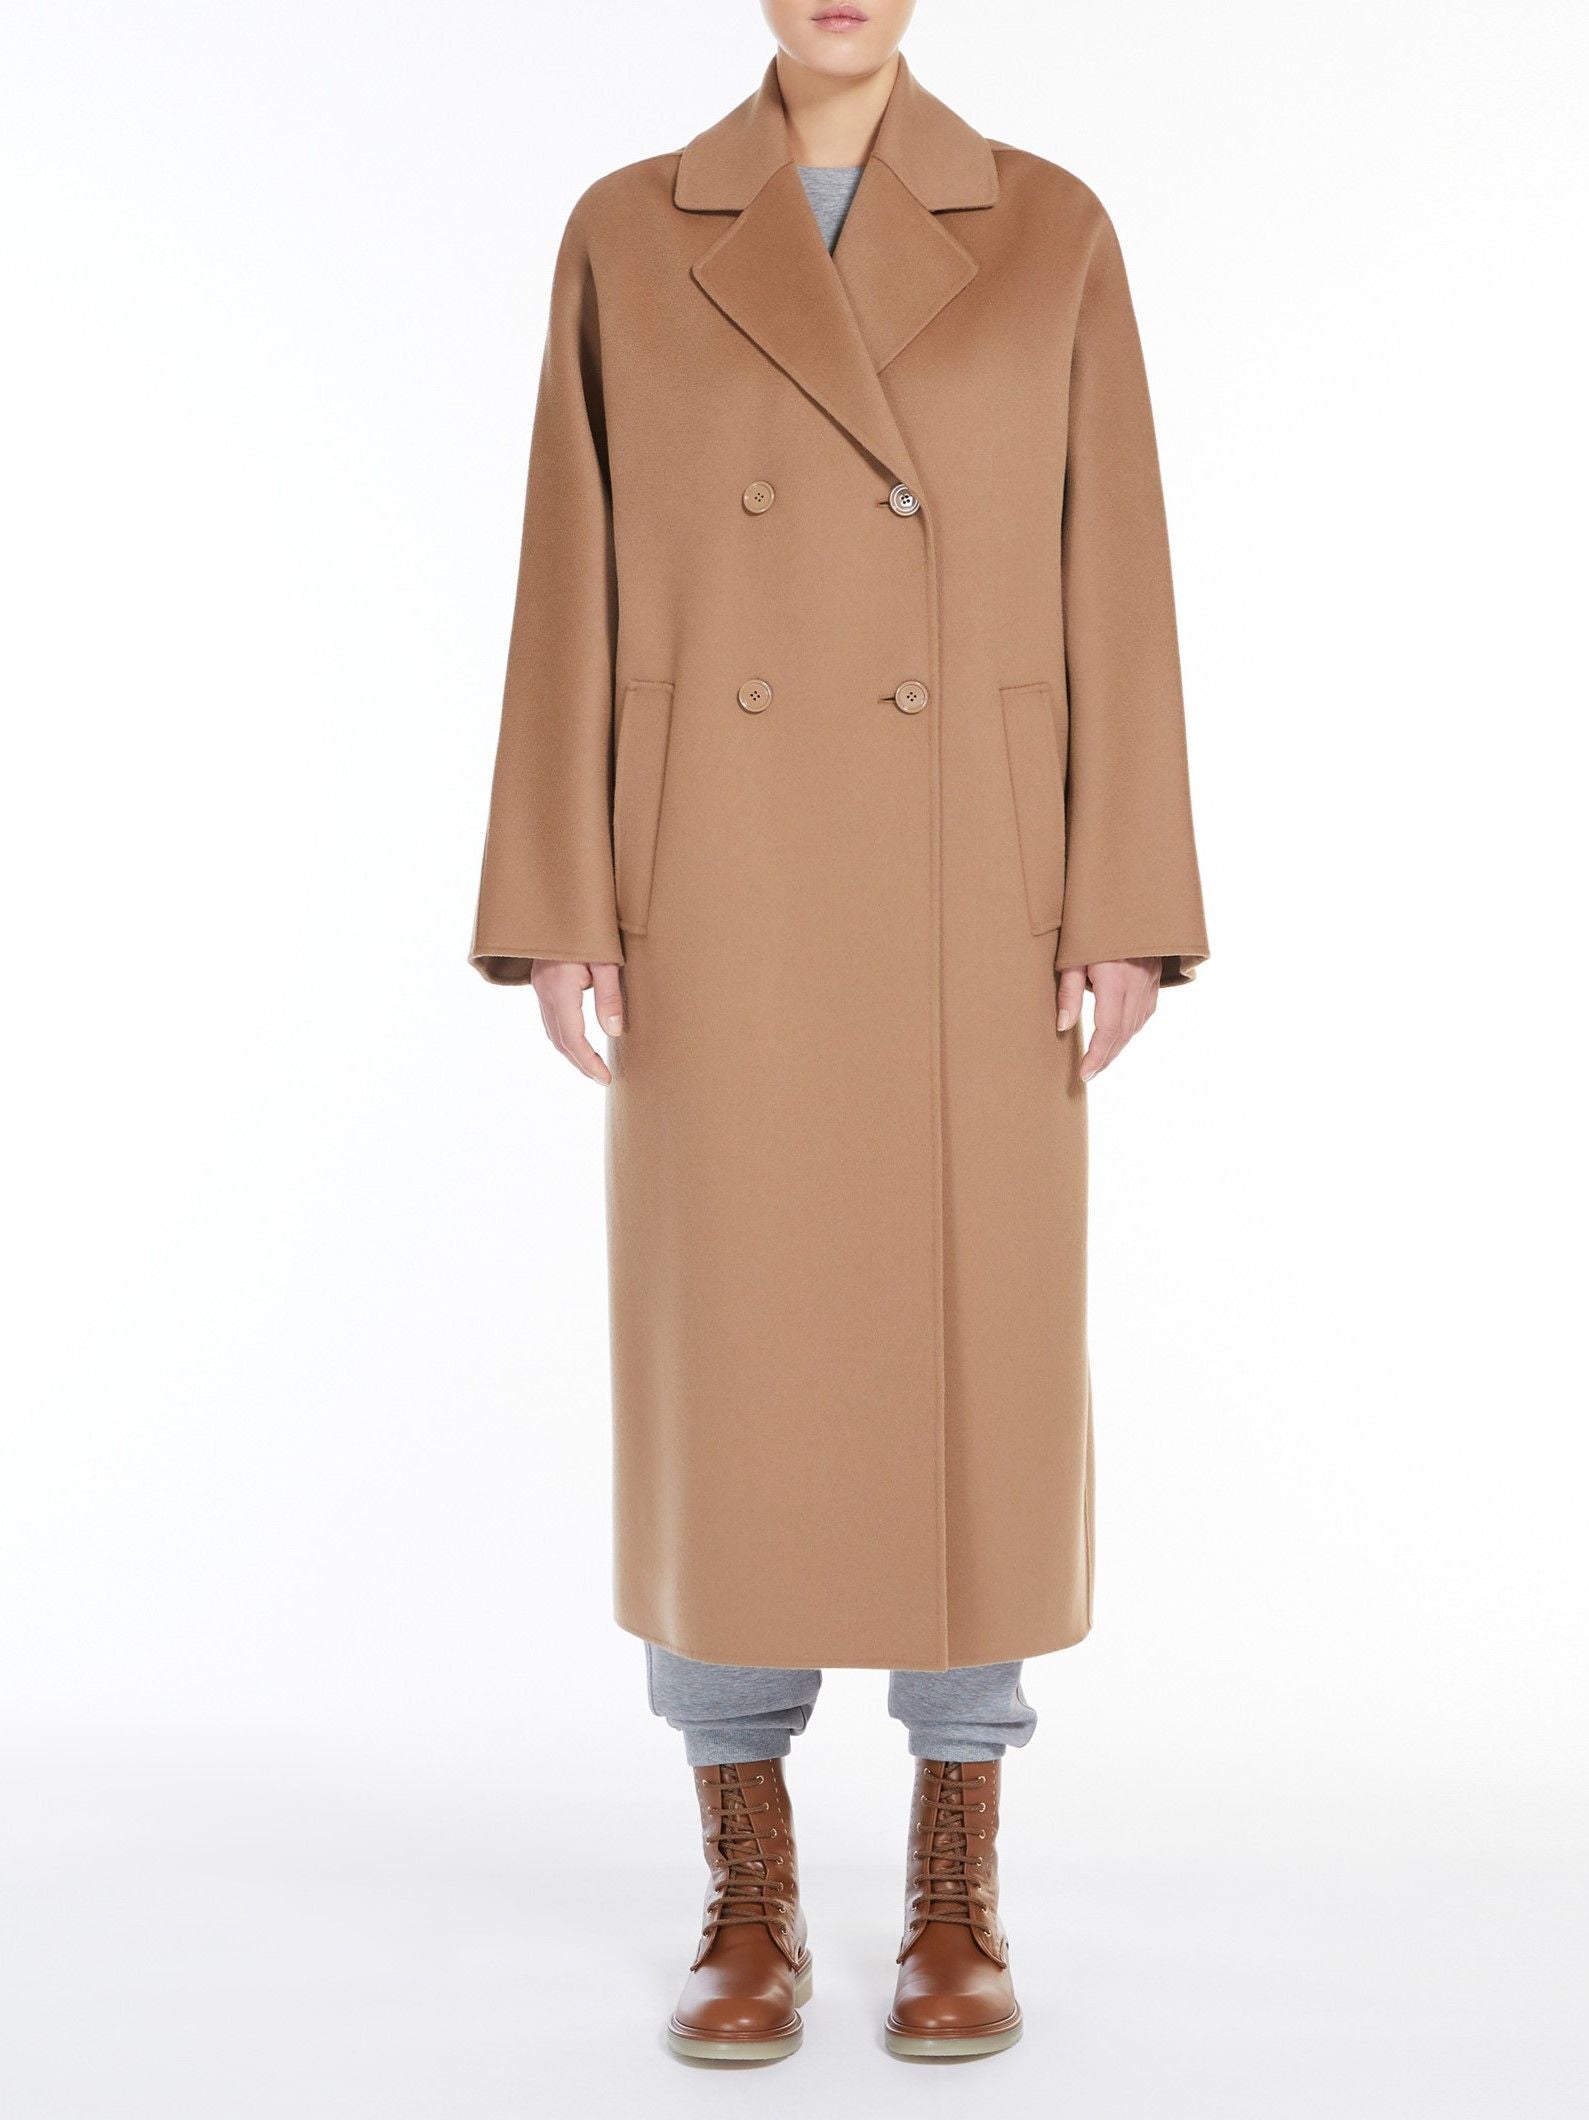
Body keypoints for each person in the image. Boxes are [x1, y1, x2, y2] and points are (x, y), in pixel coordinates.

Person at [469, 0, 1207, 2065]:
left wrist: (1126, 895)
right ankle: (747, 1878)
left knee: (974, 1366)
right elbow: (569, 581)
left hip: (977, 886)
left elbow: (1115, 576)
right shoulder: (628, 230)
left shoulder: (1049, 228)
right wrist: (556, 895)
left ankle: (958, 1872)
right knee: (733, 1374)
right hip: (711, 880)